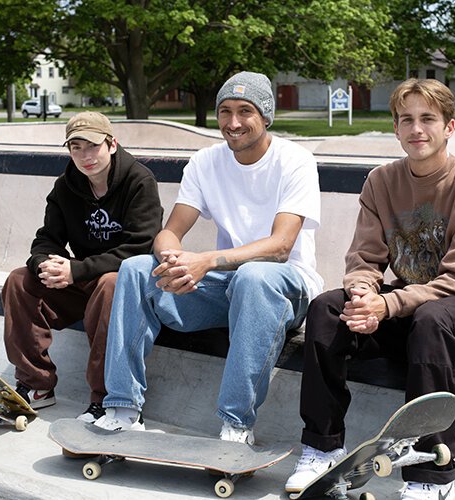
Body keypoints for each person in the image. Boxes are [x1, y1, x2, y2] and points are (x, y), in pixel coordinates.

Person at [285, 79, 455, 500]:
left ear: (449, 126)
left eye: (428, 118)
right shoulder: (381, 181)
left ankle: (432, 472)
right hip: (405, 308)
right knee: (325, 310)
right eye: (406, 119)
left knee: (432, 319)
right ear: (395, 128)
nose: (417, 129)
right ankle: (322, 449)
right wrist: (361, 298)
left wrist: (387, 304)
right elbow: (363, 259)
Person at [95, 71, 322, 444]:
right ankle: (122, 408)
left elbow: (281, 245)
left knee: (254, 276)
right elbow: (171, 231)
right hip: (226, 285)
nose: (233, 123)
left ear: (265, 116)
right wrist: (174, 261)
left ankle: (236, 425)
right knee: (135, 269)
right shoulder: (205, 162)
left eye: (245, 111)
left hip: (284, 285)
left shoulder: (295, 161)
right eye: (225, 111)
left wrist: (208, 261)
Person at [2, 111, 163, 423]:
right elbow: (46, 239)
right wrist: (45, 264)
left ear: (112, 144)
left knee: (111, 283)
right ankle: (37, 385)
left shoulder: (139, 181)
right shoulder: (66, 187)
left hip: (129, 285)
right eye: (76, 148)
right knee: (19, 281)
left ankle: (105, 399)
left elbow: (139, 247)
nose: (85, 156)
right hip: (84, 282)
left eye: (92, 146)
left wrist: (77, 270)